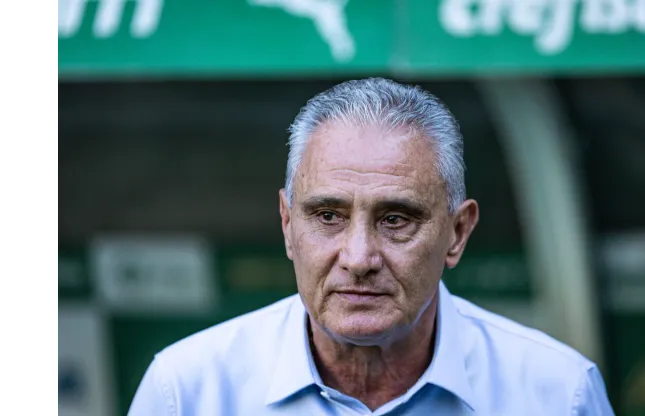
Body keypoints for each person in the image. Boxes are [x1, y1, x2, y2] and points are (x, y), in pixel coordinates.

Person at [128, 78, 614, 415]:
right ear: (286, 225)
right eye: (328, 216)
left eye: (396, 219)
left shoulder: (557, 394)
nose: (358, 258)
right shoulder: (187, 394)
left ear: (457, 233)